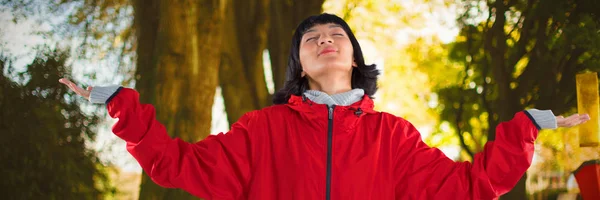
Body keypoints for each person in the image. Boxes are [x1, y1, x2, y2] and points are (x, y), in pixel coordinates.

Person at [59, 13, 590, 199]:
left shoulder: (394, 136)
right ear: (300, 65)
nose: (323, 39)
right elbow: (179, 165)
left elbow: (472, 188)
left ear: (354, 55)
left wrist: (525, 128)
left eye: (335, 33)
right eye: (309, 39)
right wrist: (122, 106)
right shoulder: (262, 129)